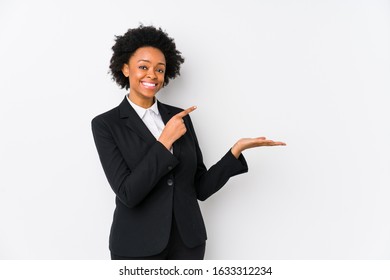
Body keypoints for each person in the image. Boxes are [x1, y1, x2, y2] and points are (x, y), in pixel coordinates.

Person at [91, 25, 286, 260]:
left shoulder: (180, 117)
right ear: (125, 68)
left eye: (160, 69)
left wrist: (235, 151)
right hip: (137, 247)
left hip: (187, 245)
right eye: (143, 66)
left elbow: (200, 188)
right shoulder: (106, 124)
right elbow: (128, 193)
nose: (152, 74)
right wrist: (164, 142)